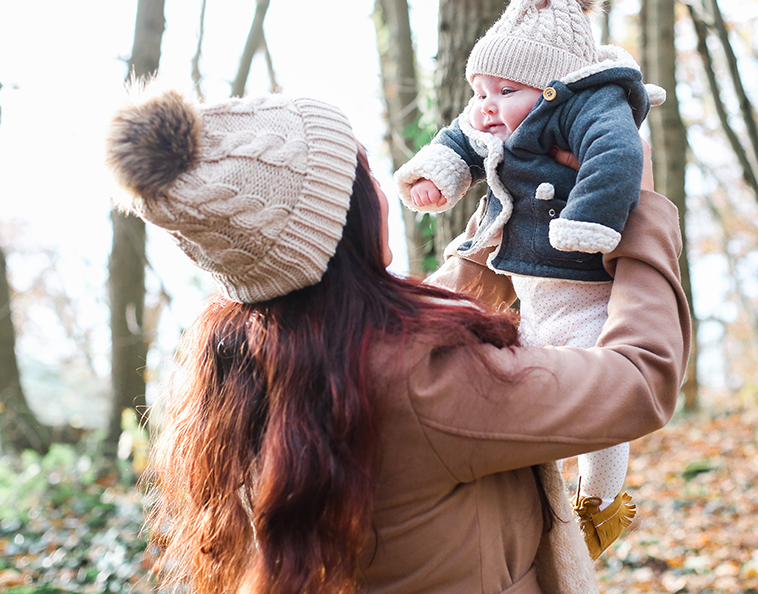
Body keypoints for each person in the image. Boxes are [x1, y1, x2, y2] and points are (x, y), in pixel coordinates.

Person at [104, 85, 689, 594]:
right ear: (348, 219)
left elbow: (424, 312)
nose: (384, 190)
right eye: (365, 176)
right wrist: (638, 209)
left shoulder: (261, 353)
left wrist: (509, 216)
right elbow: (640, 380)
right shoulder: (424, 383)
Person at [394, 0, 666, 560]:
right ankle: (543, 486)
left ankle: (601, 498)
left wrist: (590, 220)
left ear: (551, 89)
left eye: (504, 91)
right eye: (481, 89)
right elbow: (460, 138)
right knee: (536, 381)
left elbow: (617, 155)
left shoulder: (591, 106)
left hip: (582, 282)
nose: (486, 104)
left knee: (596, 396)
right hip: (521, 281)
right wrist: (436, 178)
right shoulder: (496, 113)